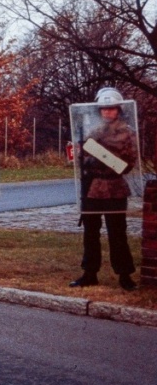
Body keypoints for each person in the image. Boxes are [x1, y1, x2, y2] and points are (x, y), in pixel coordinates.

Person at [70, 87, 138, 291]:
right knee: (90, 232)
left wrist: (103, 158)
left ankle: (125, 275)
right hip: (93, 188)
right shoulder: (94, 132)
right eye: (104, 109)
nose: (107, 112)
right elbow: (81, 158)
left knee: (117, 233)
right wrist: (86, 158)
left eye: (111, 109)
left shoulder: (127, 133)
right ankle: (90, 272)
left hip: (114, 187)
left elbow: (128, 163)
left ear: (119, 110)